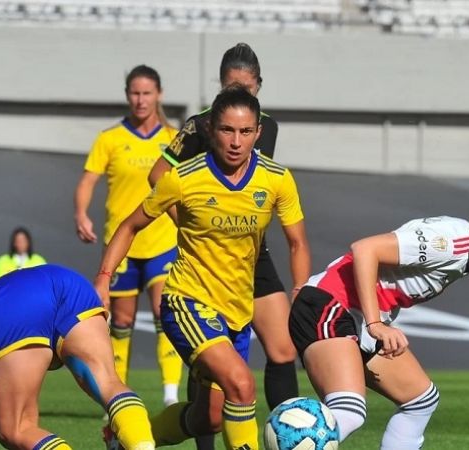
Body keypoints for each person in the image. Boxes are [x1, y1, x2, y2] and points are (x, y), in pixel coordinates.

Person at [96, 86, 311, 450]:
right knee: (242, 384)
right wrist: (103, 279)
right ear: (211, 130)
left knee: (208, 417)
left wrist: (301, 291)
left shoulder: (276, 179)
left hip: (237, 311)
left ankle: (128, 437)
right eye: (227, 130)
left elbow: (298, 243)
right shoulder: (183, 178)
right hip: (187, 301)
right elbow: (130, 225)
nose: (236, 141)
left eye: (245, 132)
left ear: (258, 133)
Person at [288, 181, 469, 448]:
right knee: (349, 412)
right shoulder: (449, 242)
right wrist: (376, 323)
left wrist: (375, 322)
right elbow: (365, 249)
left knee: (420, 400)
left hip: (355, 319)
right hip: (329, 305)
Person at [148, 43, 297, 450]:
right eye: (234, 87)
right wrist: (190, 225)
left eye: (248, 89)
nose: (242, 97)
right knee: (215, 383)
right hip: (209, 262)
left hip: (253, 257)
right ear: (221, 86)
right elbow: (158, 174)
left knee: (283, 348)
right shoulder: (199, 125)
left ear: (259, 88)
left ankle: (289, 437)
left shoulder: (269, 126)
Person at [0, 264, 156, 450]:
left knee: (17, 430)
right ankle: (142, 445)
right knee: (109, 384)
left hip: (13, 304)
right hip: (67, 282)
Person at [75, 65, 182, 406]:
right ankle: (116, 393)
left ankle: (170, 395)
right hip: (122, 243)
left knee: (166, 311)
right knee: (120, 321)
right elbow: (88, 180)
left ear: (159, 95)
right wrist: (81, 213)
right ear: (127, 95)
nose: (141, 99)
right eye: (135, 93)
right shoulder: (110, 139)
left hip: (162, 239)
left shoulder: (174, 137)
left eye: (147, 93)